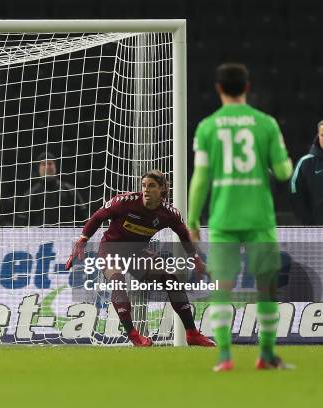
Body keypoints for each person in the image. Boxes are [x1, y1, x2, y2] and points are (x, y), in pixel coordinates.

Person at [187, 63, 294, 371]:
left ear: (219, 89)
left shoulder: (208, 126)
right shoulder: (266, 124)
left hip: (223, 220)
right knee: (266, 286)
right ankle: (267, 355)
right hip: (259, 218)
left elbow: (201, 178)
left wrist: (193, 219)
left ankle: (224, 358)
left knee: (222, 286)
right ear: (247, 88)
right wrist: (280, 160)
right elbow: (285, 172)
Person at [66, 170, 214, 347]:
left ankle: (192, 333)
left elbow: (183, 234)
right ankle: (134, 335)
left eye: (151, 186)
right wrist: (82, 241)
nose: (146, 190)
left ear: (163, 190)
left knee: (170, 278)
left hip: (138, 252)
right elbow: (97, 217)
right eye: (144, 185)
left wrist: (196, 260)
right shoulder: (124, 202)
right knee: (117, 281)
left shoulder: (169, 213)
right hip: (111, 249)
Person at [15, 152, 88, 226]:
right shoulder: (31, 194)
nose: (47, 167)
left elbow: (84, 216)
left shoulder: (70, 190)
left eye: (50, 163)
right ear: (38, 169)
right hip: (40, 236)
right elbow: (22, 221)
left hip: (65, 235)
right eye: (43, 164)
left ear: (55, 167)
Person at [290, 120, 323, 225]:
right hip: (313, 232)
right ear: (318, 137)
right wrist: (307, 222)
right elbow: (295, 192)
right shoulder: (305, 163)